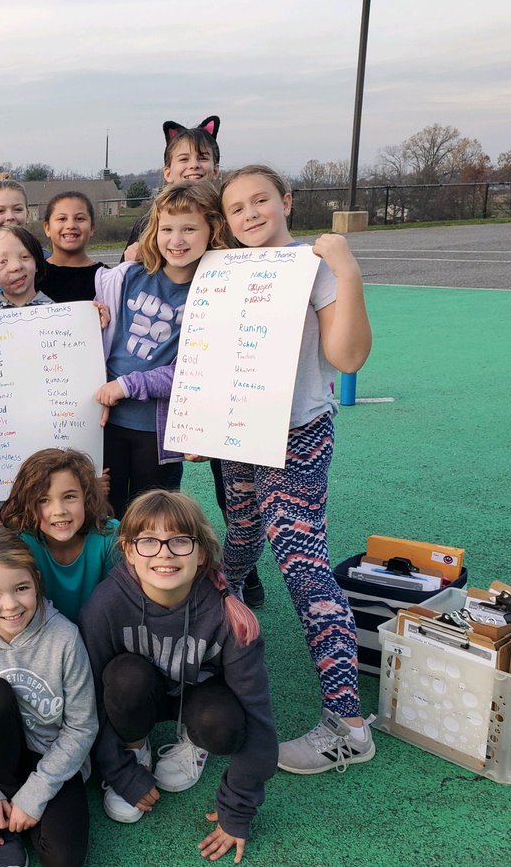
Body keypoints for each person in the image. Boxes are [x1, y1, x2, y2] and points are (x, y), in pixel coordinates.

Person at [217, 165, 374, 775]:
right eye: (237, 207)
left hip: (297, 435)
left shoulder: (312, 266)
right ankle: (213, 639)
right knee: (241, 537)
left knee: (304, 569)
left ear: (285, 201)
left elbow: (347, 354)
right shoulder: (227, 269)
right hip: (240, 431)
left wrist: (348, 269)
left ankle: (348, 726)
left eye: (261, 200)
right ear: (226, 222)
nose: (251, 213)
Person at [80, 491, 277, 862]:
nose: (165, 553)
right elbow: (85, 699)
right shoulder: (105, 605)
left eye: (180, 541)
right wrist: (120, 771)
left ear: (201, 552)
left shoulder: (230, 617)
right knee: (123, 678)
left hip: (201, 694)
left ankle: (195, 742)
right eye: (149, 541)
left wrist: (238, 810)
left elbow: (259, 718)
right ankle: (135, 748)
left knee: (222, 722)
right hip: (139, 693)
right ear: (129, 551)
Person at [0, 529, 97, 867]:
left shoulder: (64, 638)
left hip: (52, 757)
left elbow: (82, 727)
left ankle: (19, 811)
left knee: (65, 860)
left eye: (21, 589)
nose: (11, 605)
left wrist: (36, 794)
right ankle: (3, 815)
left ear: (37, 582)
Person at [95, 181, 230, 517]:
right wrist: (92, 315)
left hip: (159, 432)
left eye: (189, 229)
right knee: (105, 512)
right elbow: (97, 335)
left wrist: (127, 385)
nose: (177, 239)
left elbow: (193, 370)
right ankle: (114, 572)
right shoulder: (130, 277)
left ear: (211, 229)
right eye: (167, 228)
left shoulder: (217, 292)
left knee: (153, 516)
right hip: (107, 421)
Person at [0, 448, 119, 623]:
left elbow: (119, 604)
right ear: (27, 505)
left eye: (69, 497)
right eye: (43, 500)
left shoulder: (109, 535)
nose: (59, 511)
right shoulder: (20, 543)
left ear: (86, 498)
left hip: (101, 633)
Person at [121, 116, 221, 263]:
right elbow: (124, 279)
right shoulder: (149, 223)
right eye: (184, 159)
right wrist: (130, 259)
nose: (194, 165)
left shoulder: (228, 217)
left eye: (203, 158)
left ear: (215, 170)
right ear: (168, 173)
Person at [40, 191, 107, 303]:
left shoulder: (107, 279)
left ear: (91, 228)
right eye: (62, 219)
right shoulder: (33, 276)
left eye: (79, 219)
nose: (71, 225)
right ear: (47, 228)